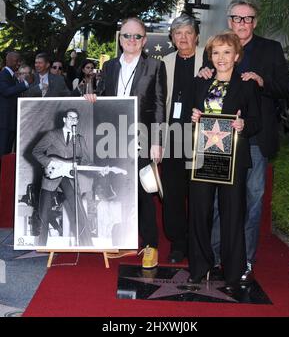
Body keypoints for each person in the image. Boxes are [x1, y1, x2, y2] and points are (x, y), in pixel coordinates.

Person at [199, 0, 289, 282]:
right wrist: (204, 74)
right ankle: (214, 258)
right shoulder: (215, 47)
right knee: (217, 203)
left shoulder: (270, 49)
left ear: (255, 21)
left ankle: (245, 261)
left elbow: (286, 89)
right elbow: (208, 90)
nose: (242, 23)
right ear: (229, 21)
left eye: (248, 18)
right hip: (220, 139)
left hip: (255, 139)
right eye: (237, 18)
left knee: (252, 202)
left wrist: (263, 82)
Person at [85, 17, 166, 268]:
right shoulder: (109, 66)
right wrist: (91, 98)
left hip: (142, 138)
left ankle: (150, 245)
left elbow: (160, 105)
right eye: (127, 36)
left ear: (144, 40)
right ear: (120, 40)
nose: (132, 40)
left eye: (137, 36)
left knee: (143, 192)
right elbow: (105, 98)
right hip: (113, 138)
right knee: (117, 189)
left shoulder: (155, 66)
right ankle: (122, 241)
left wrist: (158, 141)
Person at [189, 31, 261, 290]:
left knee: (232, 215)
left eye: (227, 52)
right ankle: (199, 266)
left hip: (233, 161)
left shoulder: (247, 84)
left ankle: (232, 271)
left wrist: (243, 124)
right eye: (216, 52)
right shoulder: (200, 82)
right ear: (210, 56)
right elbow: (190, 113)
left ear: (237, 56)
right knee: (199, 213)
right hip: (202, 157)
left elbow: (256, 122)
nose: (221, 57)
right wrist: (194, 115)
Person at [161, 14, 204, 264]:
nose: (183, 37)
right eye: (178, 33)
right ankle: (178, 243)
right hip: (173, 138)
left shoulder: (210, 60)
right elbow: (157, 103)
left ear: (196, 36)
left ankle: (198, 243)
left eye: (188, 32)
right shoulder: (163, 63)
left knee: (200, 195)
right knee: (174, 194)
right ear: (172, 38)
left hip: (202, 139)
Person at [32, 108, 94, 246]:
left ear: (77, 121)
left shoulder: (80, 139)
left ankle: (88, 246)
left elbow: (86, 161)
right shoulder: (52, 135)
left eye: (75, 118)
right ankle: (40, 248)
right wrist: (49, 163)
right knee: (44, 214)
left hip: (69, 178)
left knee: (79, 212)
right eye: (70, 117)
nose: (73, 120)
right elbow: (36, 151)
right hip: (51, 177)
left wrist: (98, 169)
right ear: (64, 120)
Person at [0, 52, 33, 157]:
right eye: (16, 61)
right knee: (3, 153)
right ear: (8, 61)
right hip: (4, 124)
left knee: (7, 154)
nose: (18, 63)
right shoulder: (3, 74)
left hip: (10, 122)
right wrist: (26, 84)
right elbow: (6, 91)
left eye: (19, 61)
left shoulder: (12, 76)